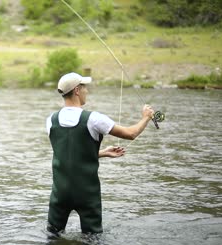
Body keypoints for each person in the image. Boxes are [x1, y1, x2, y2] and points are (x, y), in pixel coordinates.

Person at [46, 72, 154, 235]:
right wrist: (146, 117)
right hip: (87, 194)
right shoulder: (94, 119)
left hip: (60, 194)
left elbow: (68, 154)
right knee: (93, 241)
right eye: (84, 88)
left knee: (53, 236)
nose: (86, 91)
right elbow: (130, 133)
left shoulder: (51, 120)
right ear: (76, 90)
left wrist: (102, 153)